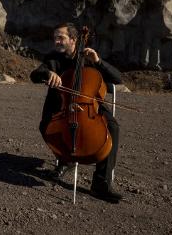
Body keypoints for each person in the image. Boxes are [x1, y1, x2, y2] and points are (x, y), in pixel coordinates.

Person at [30, 22, 122, 203]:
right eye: (55, 38)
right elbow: (35, 75)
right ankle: (66, 159)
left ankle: (101, 183)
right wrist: (48, 73)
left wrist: (98, 62)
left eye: (60, 37)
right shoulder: (53, 58)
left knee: (112, 127)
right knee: (45, 126)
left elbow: (116, 79)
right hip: (62, 107)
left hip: (90, 106)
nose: (56, 41)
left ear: (73, 39)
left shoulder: (88, 57)